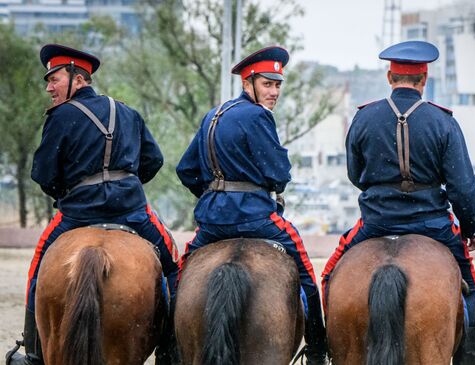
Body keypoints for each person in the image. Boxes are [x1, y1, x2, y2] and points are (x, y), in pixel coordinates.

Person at [5, 44, 180, 365]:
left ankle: (33, 353)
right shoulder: (128, 113)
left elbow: (42, 173)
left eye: (54, 79)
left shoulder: (60, 117)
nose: (48, 87)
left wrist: (67, 192)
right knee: (172, 263)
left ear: (78, 78)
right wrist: (123, 183)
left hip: (76, 213)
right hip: (131, 211)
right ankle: (173, 349)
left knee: (38, 267)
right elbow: (153, 161)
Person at [321, 40, 475, 365]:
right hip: (432, 225)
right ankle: (469, 358)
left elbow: (356, 174)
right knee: (471, 290)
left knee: (328, 277)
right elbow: (462, 187)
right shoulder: (443, 122)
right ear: (424, 79)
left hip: (375, 222)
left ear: (389, 77)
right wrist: (469, 228)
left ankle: (319, 348)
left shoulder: (364, 118)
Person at [175, 46, 328, 364]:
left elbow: (186, 170)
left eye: (277, 85)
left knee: (177, 276)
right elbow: (278, 172)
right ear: (248, 83)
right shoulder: (258, 116)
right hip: (256, 218)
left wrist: (214, 196)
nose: (274, 92)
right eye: (267, 84)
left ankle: (170, 346)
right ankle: (316, 348)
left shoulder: (212, 115)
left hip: (213, 222)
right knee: (305, 272)